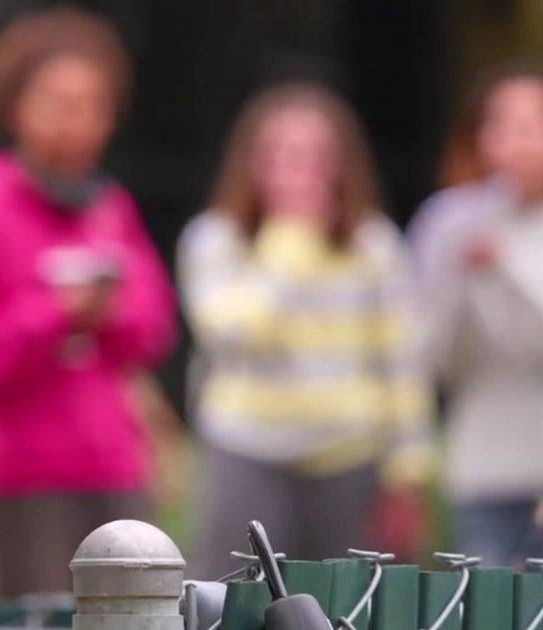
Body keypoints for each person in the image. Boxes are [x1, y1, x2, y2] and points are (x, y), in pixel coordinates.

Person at [0, 5, 179, 600]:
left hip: (113, 469)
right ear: (15, 105)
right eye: (60, 104)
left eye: (94, 106)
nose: (79, 124)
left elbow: (154, 327)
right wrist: (57, 313)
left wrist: (110, 313)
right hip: (23, 480)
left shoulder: (108, 205)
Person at [178, 83, 433, 577]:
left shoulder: (373, 245)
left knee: (347, 607)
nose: (300, 173)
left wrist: (408, 470)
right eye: (282, 156)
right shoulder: (215, 240)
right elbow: (230, 333)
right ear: (251, 162)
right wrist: (290, 242)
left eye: (316, 157)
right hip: (246, 452)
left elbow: (402, 362)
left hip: (350, 460)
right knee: (236, 602)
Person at [408, 61, 543, 568]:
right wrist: (461, 281)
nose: (517, 142)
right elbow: (429, 354)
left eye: (532, 125)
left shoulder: (501, 238)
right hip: (485, 465)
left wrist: (508, 265)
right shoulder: (449, 222)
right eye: (501, 124)